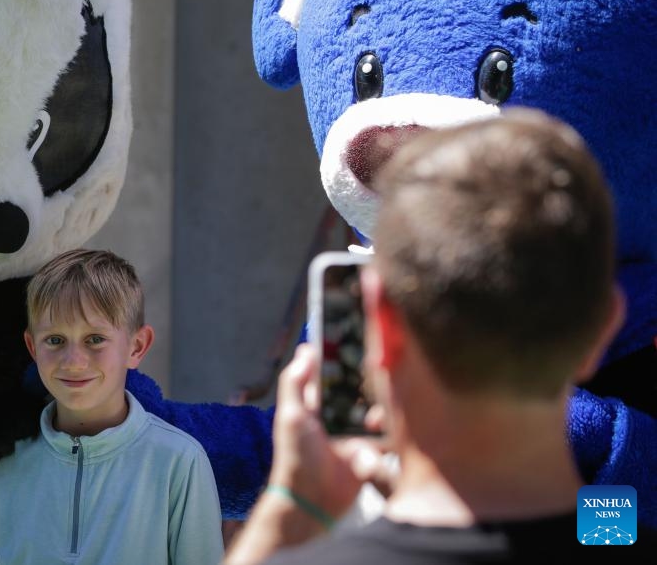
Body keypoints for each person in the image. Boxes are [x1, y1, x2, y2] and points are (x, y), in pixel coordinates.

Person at [225, 108, 639, 563]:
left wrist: (294, 506)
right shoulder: (616, 529)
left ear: (377, 322)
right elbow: (609, 532)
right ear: (605, 325)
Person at [0, 248, 224, 565]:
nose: (73, 362)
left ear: (136, 346)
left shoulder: (180, 462)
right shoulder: (0, 464)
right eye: (55, 340)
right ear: (32, 347)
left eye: (95, 339)